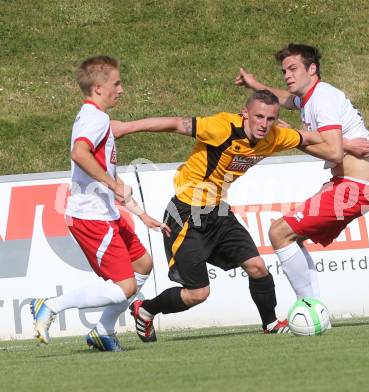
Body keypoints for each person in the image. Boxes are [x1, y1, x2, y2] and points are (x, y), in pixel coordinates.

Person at [114, 89, 342, 342]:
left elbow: (311, 138)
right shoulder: (221, 127)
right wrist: (125, 127)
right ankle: (146, 310)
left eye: (271, 119)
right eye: (259, 117)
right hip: (185, 215)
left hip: (219, 212)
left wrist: (350, 144)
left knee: (257, 267)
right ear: (245, 113)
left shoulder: (275, 135)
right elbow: (176, 123)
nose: (264, 124)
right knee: (197, 293)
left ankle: (270, 323)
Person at [30, 56, 170, 352]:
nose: (121, 89)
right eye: (116, 84)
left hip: (105, 212)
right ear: (97, 88)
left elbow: (107, 177)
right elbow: (79, 153)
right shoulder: (96, 119)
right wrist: (112, 183)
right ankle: (50, 305)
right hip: (91, 217)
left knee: (143, 264)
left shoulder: (94, 117)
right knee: (124, 288)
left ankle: (103, 331)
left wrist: (141, 215)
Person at [235, 43, 369, 300]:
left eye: (293, 69)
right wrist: (255, 85)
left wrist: (295, 136)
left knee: (279, 232)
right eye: (284, 71)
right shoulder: (311, 96)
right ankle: (315, 307)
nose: (287, 75)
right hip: (346, 186)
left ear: (312, 69)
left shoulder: (322, 99)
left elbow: (333, 152)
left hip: (352, 190)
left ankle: (310, 305)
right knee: (290, 236)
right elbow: (288, 100)